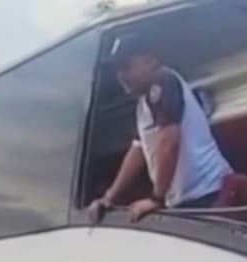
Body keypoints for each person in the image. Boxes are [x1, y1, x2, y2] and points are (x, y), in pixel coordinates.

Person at [87, 37, 232, 223]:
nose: (120, 75)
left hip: (209, 193)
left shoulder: (163, 80)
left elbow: (169, 142)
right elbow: (137, 152)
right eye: (117, 70)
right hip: (187, 201)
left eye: (126, 66)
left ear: (151, 60)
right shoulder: (142, 106)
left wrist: (155, 198)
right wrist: (109, 197)